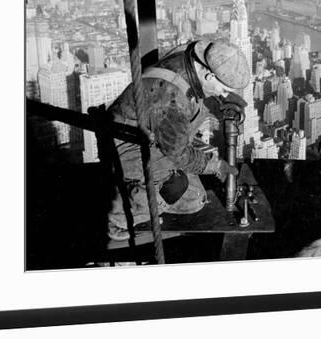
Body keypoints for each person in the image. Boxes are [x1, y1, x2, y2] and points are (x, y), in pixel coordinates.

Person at [106, 40, 250, 240]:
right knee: (183, 194)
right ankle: (120, 216)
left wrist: (229, 105)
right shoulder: (171, 100)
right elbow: (179, 154)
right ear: (209, 75)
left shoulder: (190, 57)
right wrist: (217, 166)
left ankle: (146, 184)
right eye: (223, 90)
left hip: (151, 130)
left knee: (195, 195)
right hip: (127, 145)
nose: (224, 95)